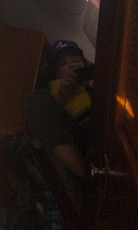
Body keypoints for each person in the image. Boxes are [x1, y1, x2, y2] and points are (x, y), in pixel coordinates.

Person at [21, 39, 94, 222]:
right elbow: (52, 125)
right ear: (55, 74)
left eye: (76, 59)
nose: (72, 64)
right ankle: (93, 180)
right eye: (63, 63)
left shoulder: (97, 81)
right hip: (77, 141)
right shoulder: (46, 97)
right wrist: (63, 95)